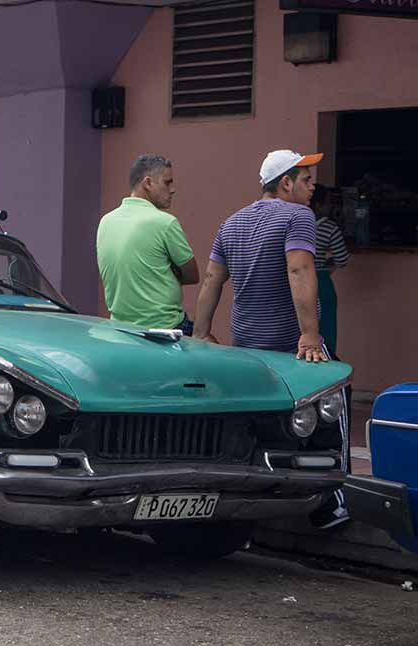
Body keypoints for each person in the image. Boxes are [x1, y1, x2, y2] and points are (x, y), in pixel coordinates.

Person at [193, 149, 349, 529]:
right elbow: (299, 267)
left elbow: (213, 279)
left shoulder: (232, 222)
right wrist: (310, 335)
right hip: (288, 344)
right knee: (331, 408)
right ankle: (330, 504)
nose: (313, 188)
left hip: (247, 343)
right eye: (307, 179)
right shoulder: (298, 216)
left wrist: (201, 332)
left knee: (259, 421)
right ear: (286, 183)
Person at [96, 154, 198, 334]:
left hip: (121, 329)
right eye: (167, 182)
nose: (172, 189)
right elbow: (192, 275)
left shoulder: (106, 221)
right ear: (148, 183)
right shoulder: (165, 223)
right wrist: (165, 271)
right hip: (166, 328)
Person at [311, 184, 350, 356]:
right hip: (321, 282)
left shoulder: (296, 224)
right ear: (319, 205)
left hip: (296, 281)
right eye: (328, 203)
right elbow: (342, 258)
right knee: (326, 331)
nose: (331, 206)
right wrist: (328, 263)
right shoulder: (330, 228)